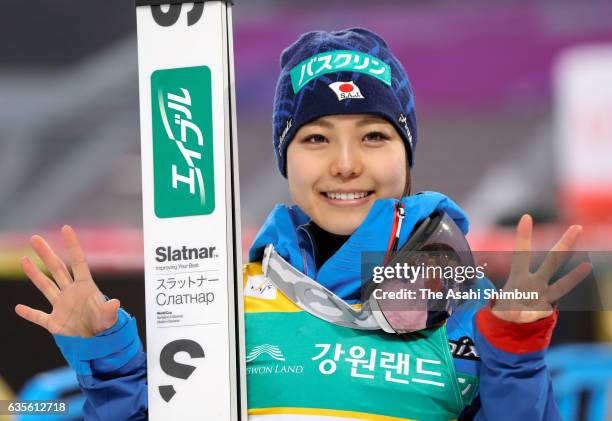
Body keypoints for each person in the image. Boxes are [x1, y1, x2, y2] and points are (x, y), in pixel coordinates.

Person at [15, 28, 592, 420]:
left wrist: (517, 351)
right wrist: (111, 363)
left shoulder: (470, 302)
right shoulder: (221, 302)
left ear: (406, 154)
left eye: (373, 136)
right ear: (284, 159)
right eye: (316, 139)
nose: (345, 163)